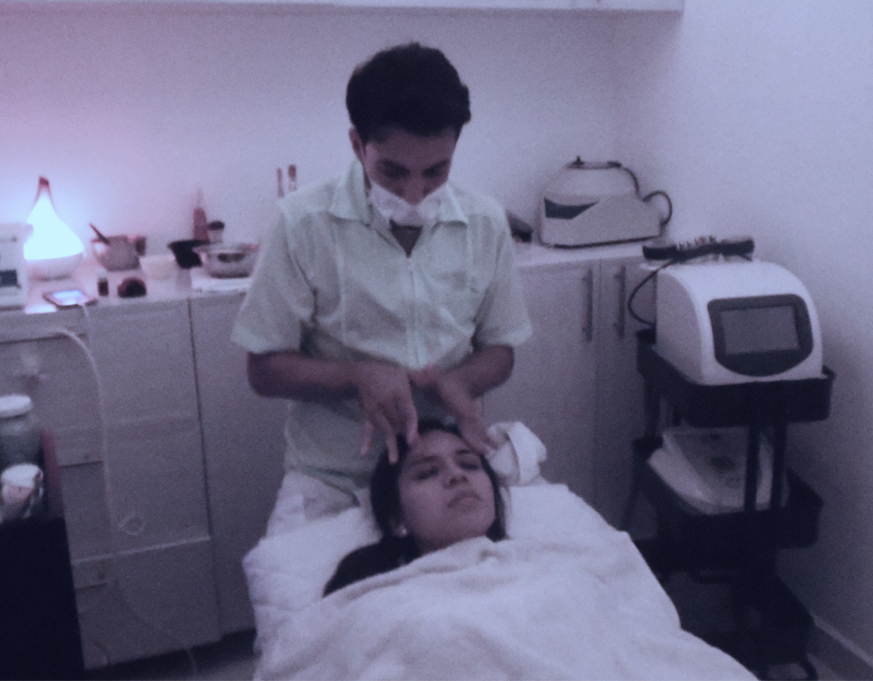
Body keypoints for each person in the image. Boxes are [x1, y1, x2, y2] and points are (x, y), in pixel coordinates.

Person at [231, 42, 531, 534]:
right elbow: (264, 370)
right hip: (335, 477)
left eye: (435, 172)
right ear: (357, 145)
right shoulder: (302, 224)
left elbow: (500, 349)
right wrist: (357, 377)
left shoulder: (485, 222)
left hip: (444, 470)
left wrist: (457, 384)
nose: (414, 194)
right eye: (393, 171)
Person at [324, 420, 506, 596]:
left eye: (469, 465)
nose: (457, 474)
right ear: (397, 519)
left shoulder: (523, 564)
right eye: (428, 473)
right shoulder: (376, 599)